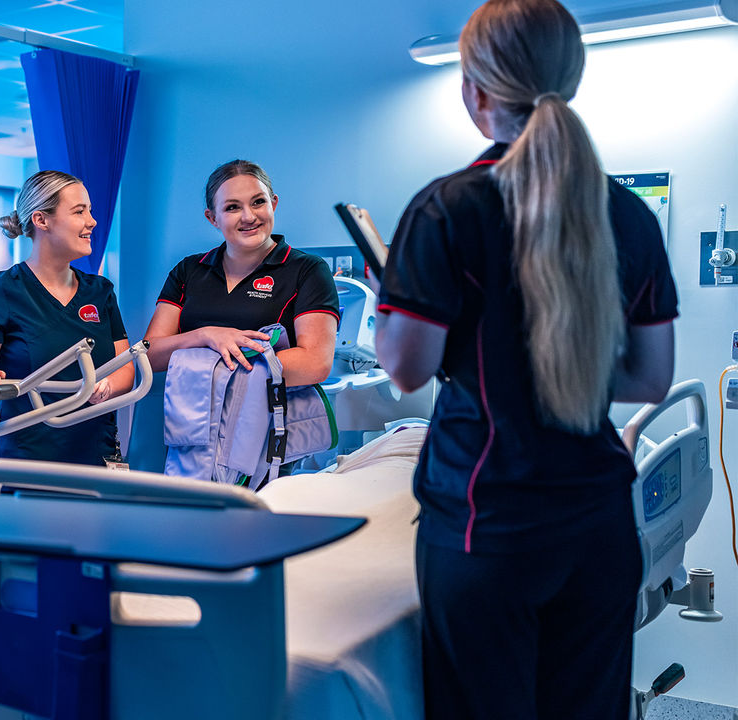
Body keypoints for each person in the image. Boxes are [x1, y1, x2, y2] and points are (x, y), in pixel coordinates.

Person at [373, 1, 677, 718]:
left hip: (489, 530)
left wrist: (402, 294)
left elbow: (407, 367)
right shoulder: (628, 215)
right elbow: (648, 379)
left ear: (475, 91)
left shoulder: (447, 209)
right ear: (567, 79)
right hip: (599, 531)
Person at [0, 170, 133, 465]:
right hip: (27, 465)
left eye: (90, 211)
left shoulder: (100, 292)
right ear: (41, 220)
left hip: (97, 459)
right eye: (79, 211)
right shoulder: (1, 291)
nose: (92, 221)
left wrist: (106, 387)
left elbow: (125, 369)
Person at [144, 160, 338, 386]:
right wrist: (206, 335)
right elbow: (149, 355)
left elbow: (314, 364)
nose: (249, 217)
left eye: (258, 202)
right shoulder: (188, 270)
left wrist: (210, 364)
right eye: (232, 207)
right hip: (194, 415)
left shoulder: (308, 270)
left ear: (273, 204)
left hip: (272, 416)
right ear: (212, 218)